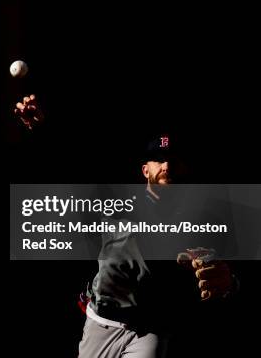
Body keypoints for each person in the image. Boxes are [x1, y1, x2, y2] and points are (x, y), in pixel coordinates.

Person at [14, 95, 238, 358]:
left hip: (149, 331)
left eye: (173, 160)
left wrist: (229, 282)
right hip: (101, 322)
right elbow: (72, 166)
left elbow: (224, 271)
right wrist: (43, 127)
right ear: (145, 170)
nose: (166, 165)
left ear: (185, 168)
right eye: (158, 159)